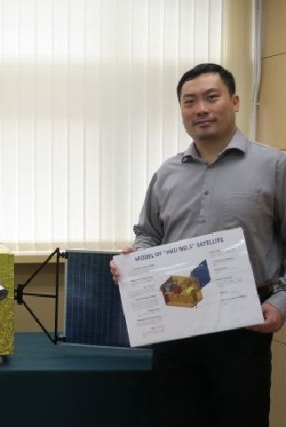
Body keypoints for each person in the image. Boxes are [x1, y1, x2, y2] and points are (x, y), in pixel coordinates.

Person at [110, 63, 286, 427]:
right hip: (174, 316)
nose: (201, 109)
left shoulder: (274, 166)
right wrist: (136, 260)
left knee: (241, 417)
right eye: (190, 101)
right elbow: (148, 234)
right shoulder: (167, 173)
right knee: (174, 416)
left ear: (235, 101)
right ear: (182, 111)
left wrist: (280, 302)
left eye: (211, 97)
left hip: (243, 324)